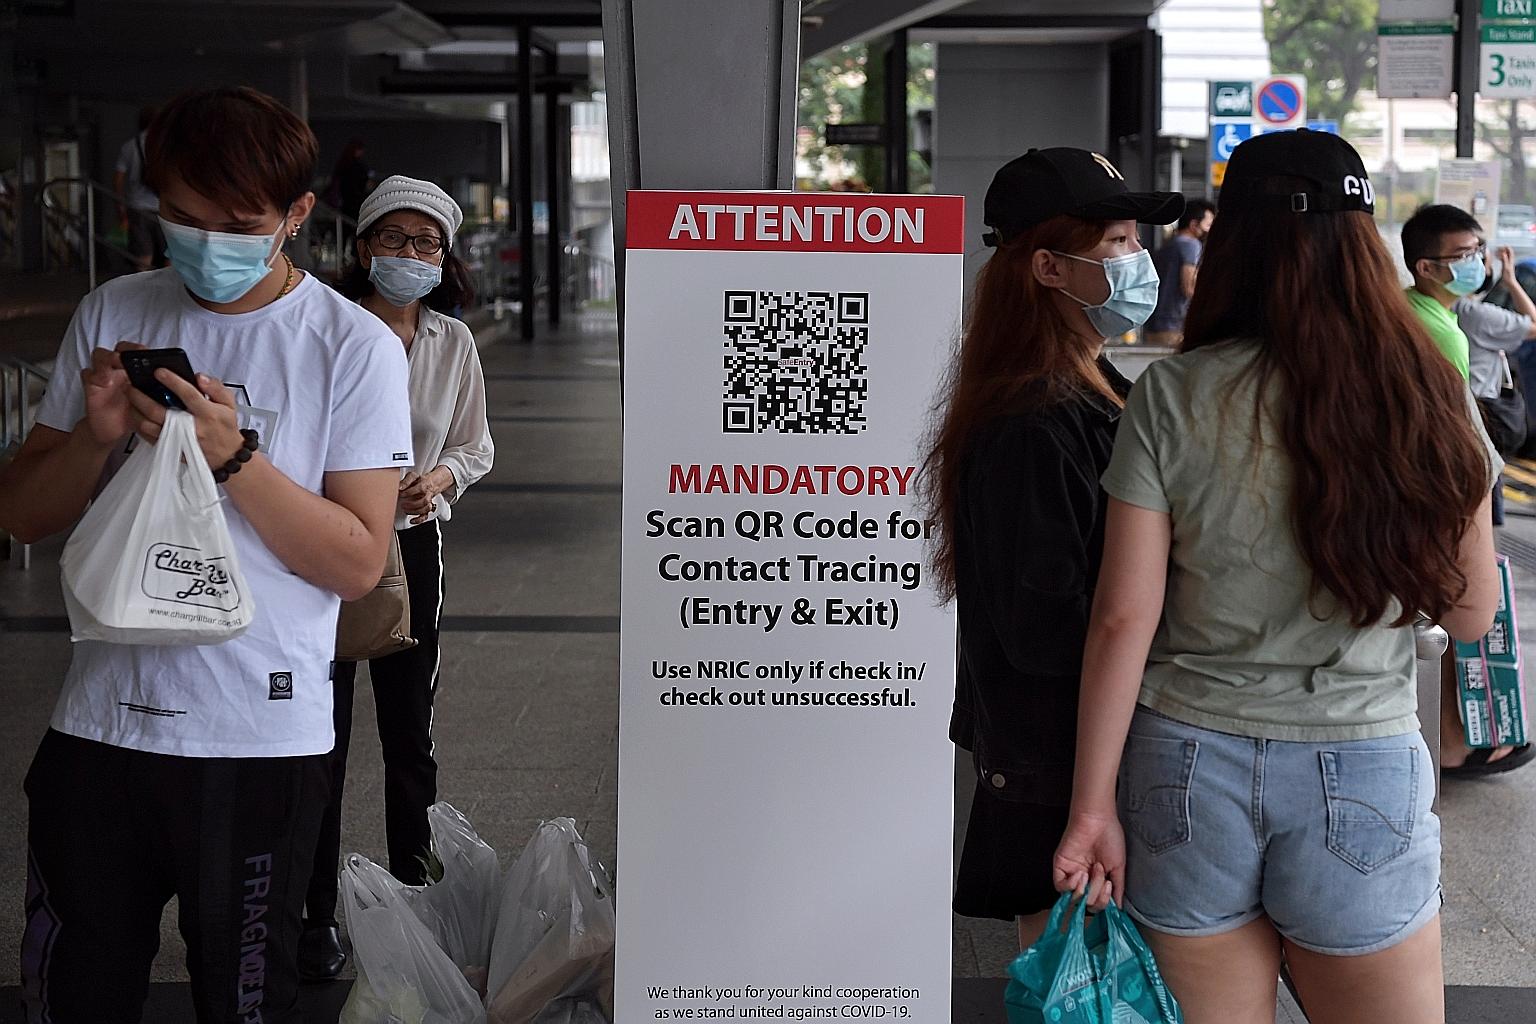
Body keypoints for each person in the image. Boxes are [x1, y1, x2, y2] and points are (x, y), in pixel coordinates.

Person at [1050, 130, 1501, 1024]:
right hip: (1363, 761)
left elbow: (1122, 620)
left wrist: (1090, 806)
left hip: (1186, 767)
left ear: (1235, 244)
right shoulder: (1427, 390)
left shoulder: (1175, 393)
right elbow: (1472, 613)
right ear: (1365, 241)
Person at [0, 86, 413, 1023]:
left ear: (297, 215)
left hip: (256, 738)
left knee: (246, 998)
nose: (206, 244)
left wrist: (233, 457)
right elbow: (21, 515)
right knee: (73, 989)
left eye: (238, 226)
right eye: (183, 219)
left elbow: (357, 561)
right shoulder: (113, 311)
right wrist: (96, 435)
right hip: (101, 727)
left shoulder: (351, 347)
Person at [925, 147, 1180, 949]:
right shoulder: (1030, 424)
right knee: (1075, 978)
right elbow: (1042, 626)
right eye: (1117, 244)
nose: (1139, 261)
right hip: (1056, 759)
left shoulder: (1095, 386)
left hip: (1084, 747)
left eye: (1137, 240)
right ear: (1047, 267)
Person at [299, 174, 494, 979]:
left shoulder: (453, 343)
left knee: (411, 734)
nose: (410, 254)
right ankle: (313, 917)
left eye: (426, 242)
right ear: (363, 246)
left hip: (412, 548)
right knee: (321, 736)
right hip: (330, 543)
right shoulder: (326, 327)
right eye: (394, 238)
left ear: (444, 257)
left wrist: (437, 479)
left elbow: (475, 445)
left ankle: (418, 905)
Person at [1402, 203, 1484, 381]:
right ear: (1426, 268)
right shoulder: (1447, 338)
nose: (1476, 261)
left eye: (1477, 250)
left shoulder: (1402, 302)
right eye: (1464, 255)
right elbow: (1457, 399)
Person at [1144, 199, 1215, 346]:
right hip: (1174, 325)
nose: (1210, 230)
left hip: (1154, 324)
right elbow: (1189, 287)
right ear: (1194, 225)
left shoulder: (1169, 244)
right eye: (1208, 225)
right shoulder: (1191, 245)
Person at [114, 105, 165, 272]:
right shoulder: (166, 144)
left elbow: (118, 179)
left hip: (137, 207)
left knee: (143, 254)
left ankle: (143, 284)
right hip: (164, 207)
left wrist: (120, 207)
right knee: (170, 253)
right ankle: (170, 286)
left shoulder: (130, 146)